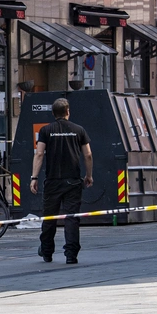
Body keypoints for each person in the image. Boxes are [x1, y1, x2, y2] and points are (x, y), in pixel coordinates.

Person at [31, 97, 93, 265]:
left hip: (53, 181)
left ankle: (47, 251)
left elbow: (39, 154)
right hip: (73, 181)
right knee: (72, 217)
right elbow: (87, 154)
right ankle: (71, 255)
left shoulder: (45, 130)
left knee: (49, 217)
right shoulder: (79, 130)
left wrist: (34, 177)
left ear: (53, 113)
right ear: (67, 112)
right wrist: (89, 175)